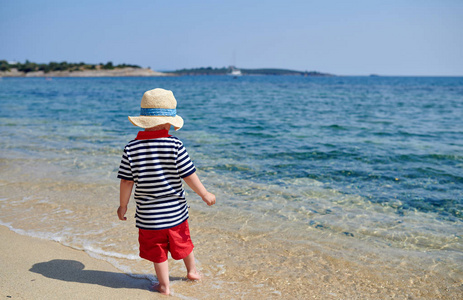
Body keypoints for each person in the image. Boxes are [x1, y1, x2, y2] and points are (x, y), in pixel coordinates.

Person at [116, 88, 216, 295]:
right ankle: (193, 272)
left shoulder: (131, 148)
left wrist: (123, 206)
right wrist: (204, 194)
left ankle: (164, 286)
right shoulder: (175, 145)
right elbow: (188, 174)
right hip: (176, 213)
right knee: (184, 243)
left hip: (149, 218)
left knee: (158, 253)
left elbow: (126, 181)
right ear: (167, 122)